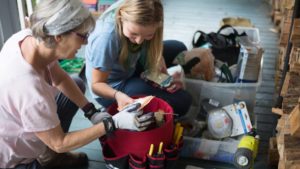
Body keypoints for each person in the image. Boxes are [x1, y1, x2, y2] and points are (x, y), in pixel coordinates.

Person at [0, 0, 153, 168]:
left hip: (21, 123)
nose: (86, 42)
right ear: (59, 36)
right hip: (15, 159)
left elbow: (60, 79)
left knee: (76, 82)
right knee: (51, 147)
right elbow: (60, 143)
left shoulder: (27, 39)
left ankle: (50, 156)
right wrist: (112, 123)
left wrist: (91, 112)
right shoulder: (31, 92)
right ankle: (43, 157)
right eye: (82, 36)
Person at [85, 0, 192, 117]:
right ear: (121, 17)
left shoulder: (151, 13)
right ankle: (130, 92)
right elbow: (97, 85)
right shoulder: (106, 38)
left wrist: (165, 79)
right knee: (184, 101)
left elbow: (154, 52)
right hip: (112, 87)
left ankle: (143, 81)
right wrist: (117, 95)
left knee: (180, 48)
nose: (139, 41)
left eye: (148, 35)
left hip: (132, 63)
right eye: (134, 34)